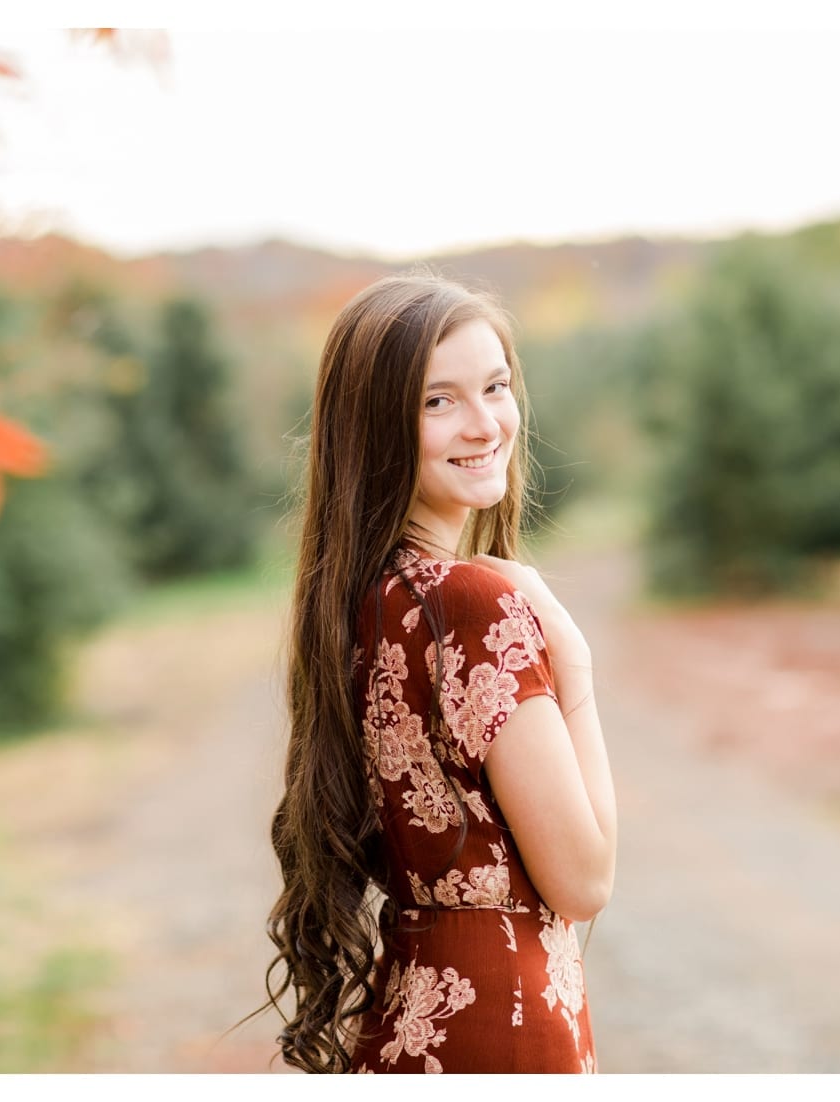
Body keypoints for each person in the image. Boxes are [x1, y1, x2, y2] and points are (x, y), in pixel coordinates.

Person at [264, 272, 618, 1073]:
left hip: (412, 1005)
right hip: (503, 1023)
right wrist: (578, 668)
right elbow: (584, 879)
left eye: (496, 386)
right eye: (439, 401)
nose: (486, 423)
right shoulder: (473, 602)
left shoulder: (362, 599)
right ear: (375, 427)